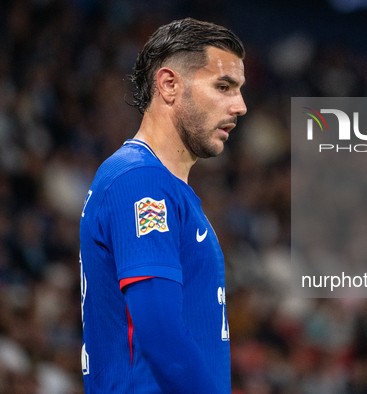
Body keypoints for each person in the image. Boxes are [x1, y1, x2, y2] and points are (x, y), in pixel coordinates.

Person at [79, 18, 247, 393]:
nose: (240, 106)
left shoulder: (155, 183)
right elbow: (161, 336)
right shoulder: (141, 182)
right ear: (169, 85)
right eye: (223, 87)